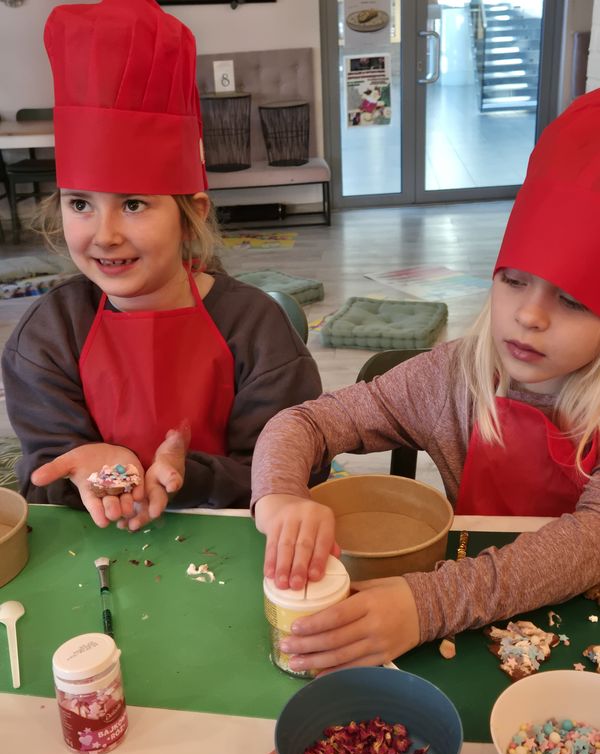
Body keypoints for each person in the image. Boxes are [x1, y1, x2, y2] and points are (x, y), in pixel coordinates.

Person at [251, 87, 600, 674]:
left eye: (571, 300)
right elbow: (305, 421)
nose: (529, 316)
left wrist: (427, 604)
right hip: (471, 632)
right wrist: (281, 496)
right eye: (514, 280)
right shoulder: (453, 378)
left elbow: (590, 544)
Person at [1, 0, 324, 532]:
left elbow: (297, 464)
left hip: (233, 538)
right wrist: (86, 471)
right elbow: (43, 473)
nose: (104, 234)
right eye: (80, 204)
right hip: (95, 542)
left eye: (133, 204)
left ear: (189, 215)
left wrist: (190, 476)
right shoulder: (47, 334)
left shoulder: (255, 329)